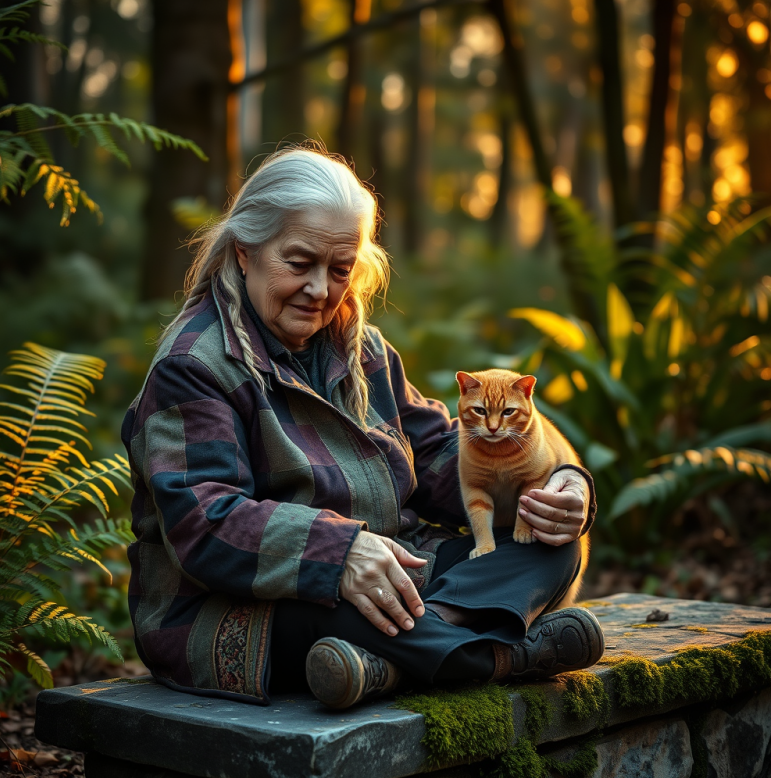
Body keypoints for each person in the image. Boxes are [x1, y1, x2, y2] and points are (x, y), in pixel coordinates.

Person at [121, 145, 603, 711]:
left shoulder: (364, 349)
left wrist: (560, 489)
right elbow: (206, 524)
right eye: (299, 264)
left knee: (553, 550)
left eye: (340, 269)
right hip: (248, 607)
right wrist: (339, 552)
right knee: (354, 612)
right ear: (245, 251)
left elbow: (440, 453)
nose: (321, 290)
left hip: (393, 573)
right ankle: (496, 656)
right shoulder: (195, 366)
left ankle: (398, 658)